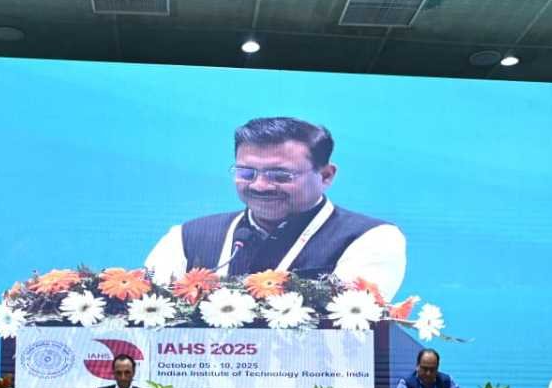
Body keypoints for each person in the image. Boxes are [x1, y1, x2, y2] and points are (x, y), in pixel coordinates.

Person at [145, 116, 407, 302]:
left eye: (280, 175)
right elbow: (146, 309)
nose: (260, 185)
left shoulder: (371, 238)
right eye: (246, 173)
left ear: (326, 175)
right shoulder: (187, 237)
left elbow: (354, 316)